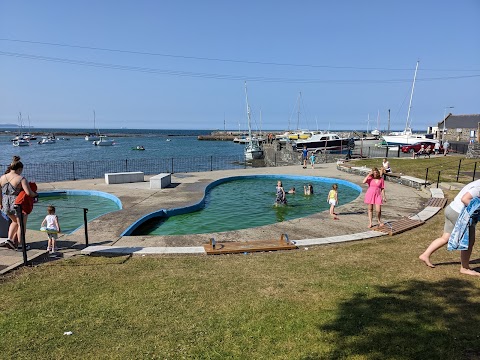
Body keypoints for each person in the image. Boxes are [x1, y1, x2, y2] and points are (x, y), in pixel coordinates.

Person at [419, 179, 480, 276]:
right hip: (459, 214)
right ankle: (465, 268)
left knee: (445, 237)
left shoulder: (477, 183)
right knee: (469, 241)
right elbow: (465, 199)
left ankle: (425, 255)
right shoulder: (479, 187)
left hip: (451, 209)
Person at [0, 158, 38, 250]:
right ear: (19, 169)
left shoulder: (2, 177)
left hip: (6, 203)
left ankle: (10, 239)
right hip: (18, 203)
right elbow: (28, 193)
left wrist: (0, 203)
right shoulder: (21, 179)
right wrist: (36, 194)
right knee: (21, 224)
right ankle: (21, 245)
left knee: (14, 222)